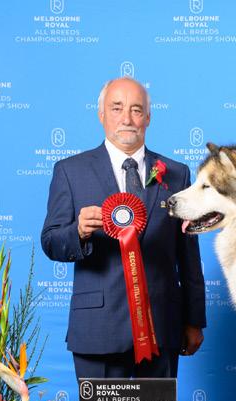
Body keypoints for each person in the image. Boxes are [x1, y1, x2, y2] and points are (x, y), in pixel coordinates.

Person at [41, 77, 206, 380]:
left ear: (148, 117)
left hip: (162, 326)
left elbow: (189, 255)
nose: (127, 119)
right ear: (101, 114)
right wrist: (78, 232)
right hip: (97, 329)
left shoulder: (176, 173)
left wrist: (194, 319)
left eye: (136, 109)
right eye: (117, 108)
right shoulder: (70, 171)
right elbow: (51, 241)